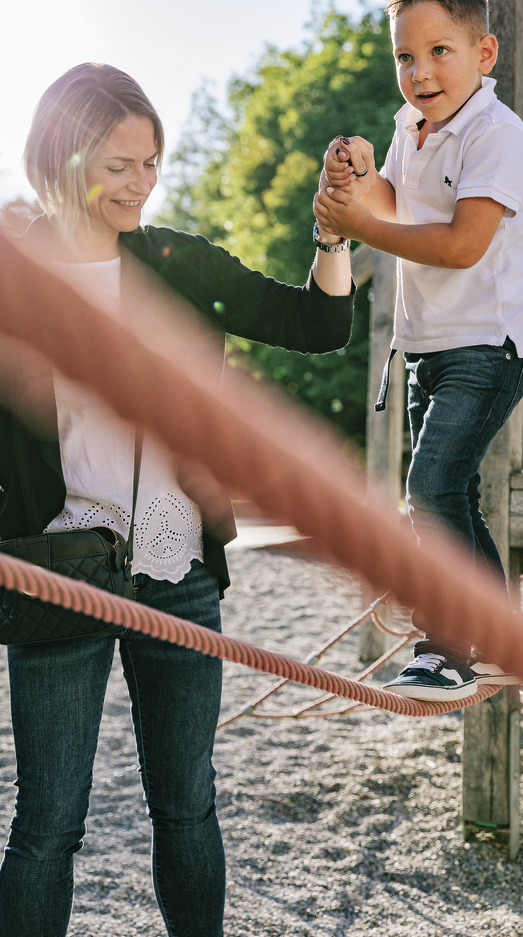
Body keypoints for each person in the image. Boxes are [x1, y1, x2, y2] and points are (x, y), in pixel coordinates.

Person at [0, 63, 355, 937]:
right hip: (57, 572)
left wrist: (334, 232)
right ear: (63, 155)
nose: (141, 183)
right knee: (48, 825)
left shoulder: (178, 262)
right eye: (118, 164)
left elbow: (317, 325)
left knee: (188, 808)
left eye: (151, 162)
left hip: (177, 568)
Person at [313, 0, 523, 702]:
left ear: (485, 54)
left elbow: (460, 244)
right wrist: (364, 173)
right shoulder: (411, 127)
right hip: (429, 346)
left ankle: (452, 641)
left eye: (440, 51)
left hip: (490, 341)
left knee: (432, 483)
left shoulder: (496, 134)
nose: (419, 71)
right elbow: (398, 201)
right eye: (405, 56)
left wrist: (362, 226)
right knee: (445, 496)